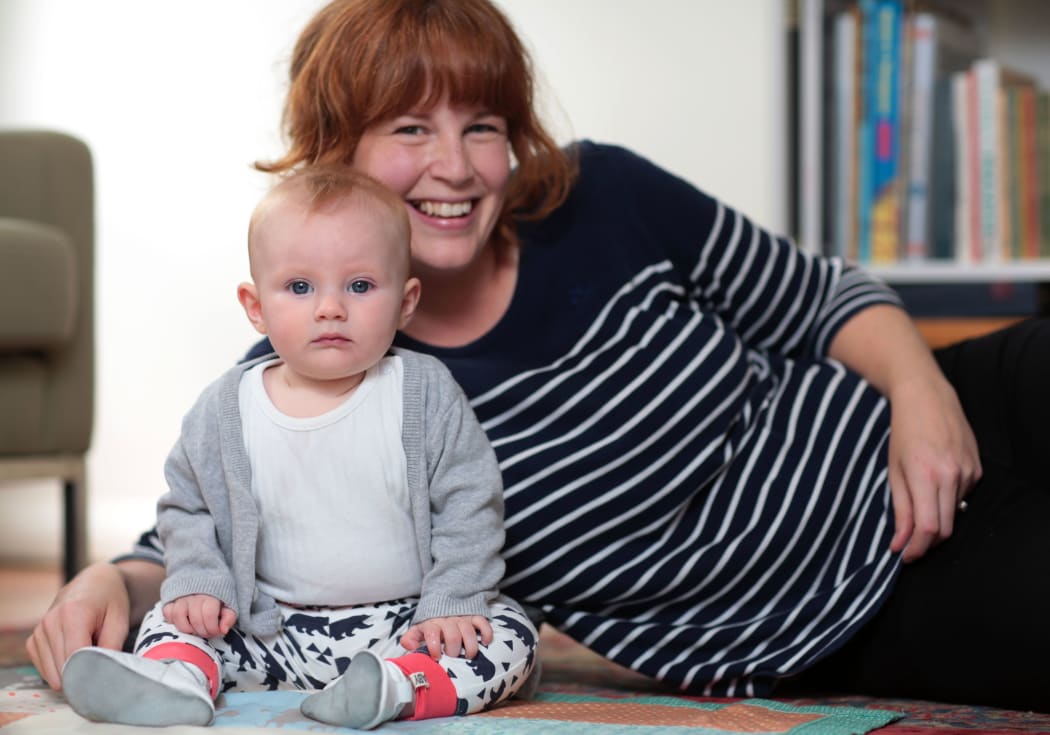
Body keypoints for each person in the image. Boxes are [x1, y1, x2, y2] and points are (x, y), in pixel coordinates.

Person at [28, 0, 1050, 713]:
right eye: (408, 127)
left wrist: (922, 389)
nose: (455, 165)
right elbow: (204, 530)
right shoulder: (318, 370)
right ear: (335, 150)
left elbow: (820, 295)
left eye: (482, 124)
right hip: (860, 603)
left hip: (947, 411)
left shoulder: (602, 194)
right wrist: (107, 584)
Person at [57, 165, 538, 729]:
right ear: (256, 305)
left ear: (406, 302)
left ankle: (397, 687)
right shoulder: (225, 408)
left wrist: (451, 604)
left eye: (360, 286)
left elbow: (470, 505)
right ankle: (176, 676)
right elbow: (189, 508)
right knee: (170, 616)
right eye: (300, 287)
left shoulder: (423, 392)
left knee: (508, 632)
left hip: (406, 627)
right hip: (271, 628)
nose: (330, 307)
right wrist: (199, 585)